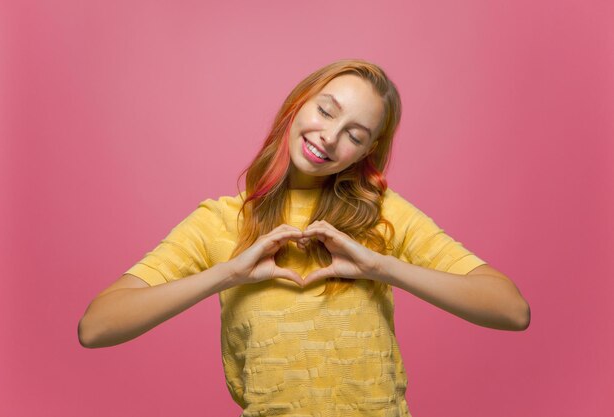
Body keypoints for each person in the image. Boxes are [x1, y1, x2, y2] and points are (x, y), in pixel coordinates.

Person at [78, 59, 530, 417]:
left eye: (355, 134)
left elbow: (511, 310)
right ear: (299, 102)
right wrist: (228, 274)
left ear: (367, 151)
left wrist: (379, 266)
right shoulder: (220, 221)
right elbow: (96, 327)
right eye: (326, 110)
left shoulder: (384, 214)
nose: (329, 137)